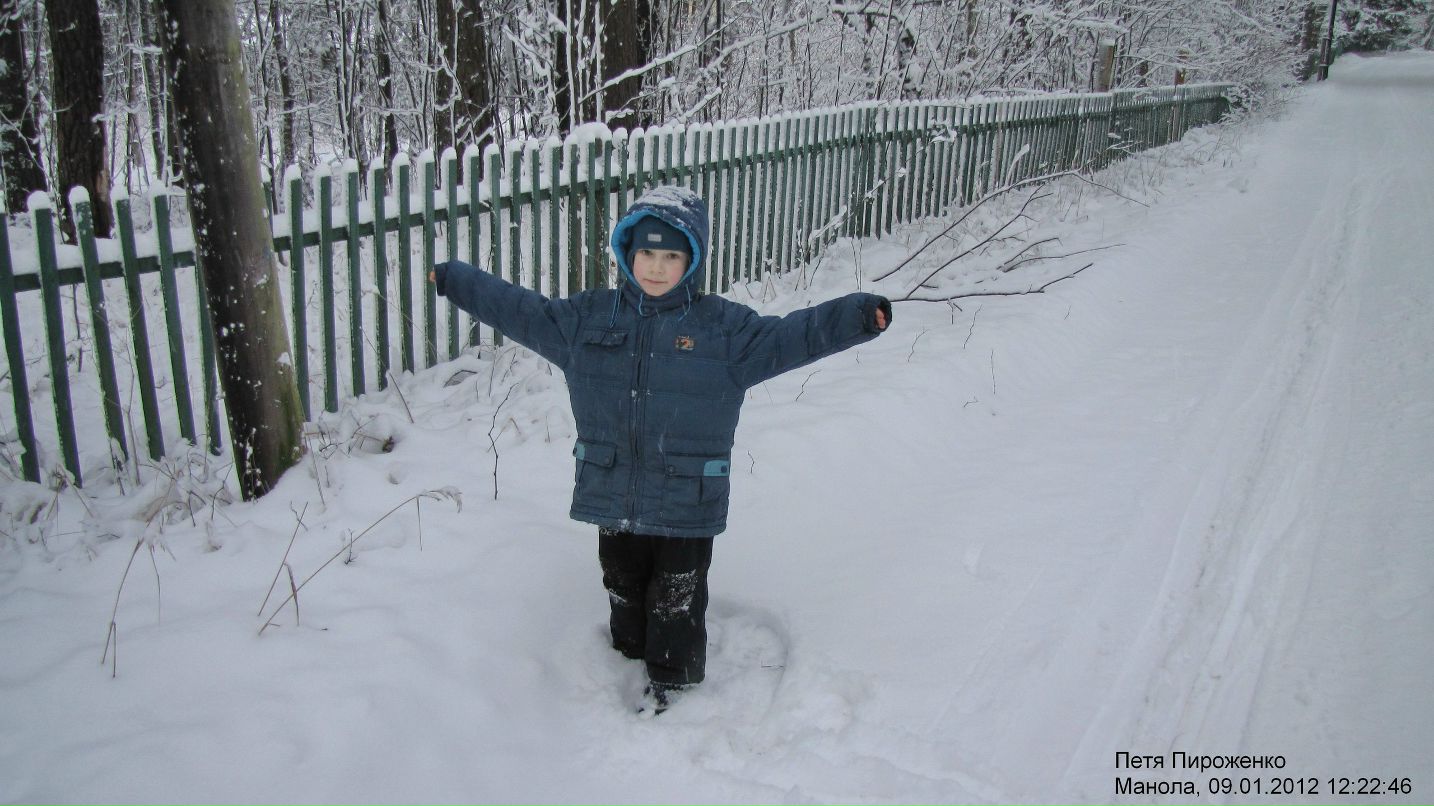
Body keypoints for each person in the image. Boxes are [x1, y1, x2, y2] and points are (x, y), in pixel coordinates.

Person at [431, 185, 891, 714]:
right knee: (622, 580)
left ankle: (675, 686)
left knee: (676, 595)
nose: (655, 267)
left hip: (685, 500)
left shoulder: (722, 330)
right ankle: (625, 659)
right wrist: (455, 280)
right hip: (614, 490)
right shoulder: (587, 321)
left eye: (671, 255)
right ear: (626, 253)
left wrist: (857, 316)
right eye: (645, 252)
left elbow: (792, 335)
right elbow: (518, 310)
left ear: (691, 260)